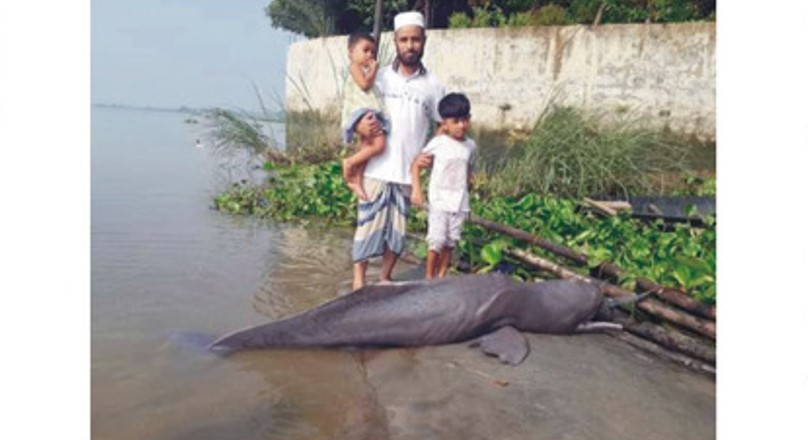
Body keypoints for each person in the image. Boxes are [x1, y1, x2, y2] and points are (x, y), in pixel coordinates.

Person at [351, 11, 445, 290]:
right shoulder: (378, 78)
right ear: (395, 41)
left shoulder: (434, 85)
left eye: (415, 39)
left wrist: (428, 153)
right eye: (404, 39)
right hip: (376, 168)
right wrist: (359, 129)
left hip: (407, 172)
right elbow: (356, 107)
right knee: (366, 226)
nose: (410, 45)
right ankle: (358, 283)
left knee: (397, 232)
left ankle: (385, 279)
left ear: (424, 41)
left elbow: (442, 124)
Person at [411, 93, 476, 280]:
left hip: (460, 203)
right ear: (445, 123)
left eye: (465, 120)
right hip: (439, 201)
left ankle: (441, 275)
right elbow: (417, 164)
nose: (461, 125)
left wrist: (470, 186)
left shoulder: (470, 146)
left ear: (469, 119)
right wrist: (417, 189)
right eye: (455, 121)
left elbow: (469, 170)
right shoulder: (438, 143)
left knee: (450, 242)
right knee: (436, 241)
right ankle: (429, 277)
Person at [340, 32, 389, 201]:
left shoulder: (365, 70)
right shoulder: (355, 67)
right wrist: (374, 71)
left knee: (367, 148)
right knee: (379, 144)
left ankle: (356, 180)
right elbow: (364, 84)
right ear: (351, 52)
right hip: (362, 112)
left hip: (366, 111)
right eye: (365, 50)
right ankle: (350, 162)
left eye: (373, 52)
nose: (370, 55)